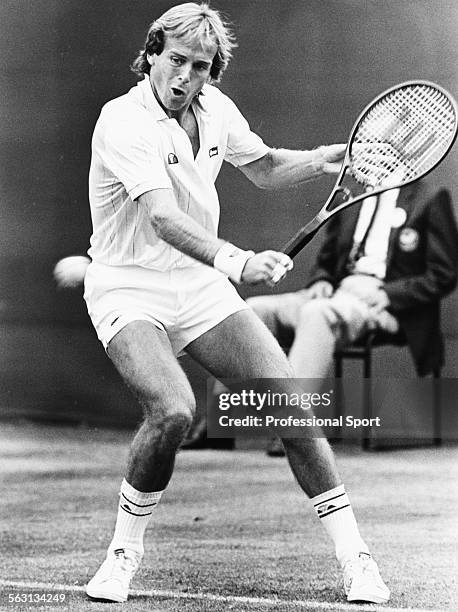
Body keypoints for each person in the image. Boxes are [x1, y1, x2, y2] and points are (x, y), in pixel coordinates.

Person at [84, 3, 389, 604]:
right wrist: (237, 261)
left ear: (211, 71)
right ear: (151, 54)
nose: (184, 77)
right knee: (172, 410)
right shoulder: (120, 120)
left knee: (290, 410)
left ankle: (357, 560)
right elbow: (165, 218)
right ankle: (123, 554)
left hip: (196, 286)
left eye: (199, 67)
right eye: (174, 60)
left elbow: (267, 166)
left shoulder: (216, 110)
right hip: (127, 284)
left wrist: (328, 157)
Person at [248, 180, 458, 454]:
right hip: (338, 293)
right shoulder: (352, 197)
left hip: (387, 306)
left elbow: (444, 274)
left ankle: (292, 426)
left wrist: (389, 294)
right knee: (253, 310)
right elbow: (326, 260)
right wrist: (321, 280)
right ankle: (215, 422)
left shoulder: (429, 196)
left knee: (316, 315)